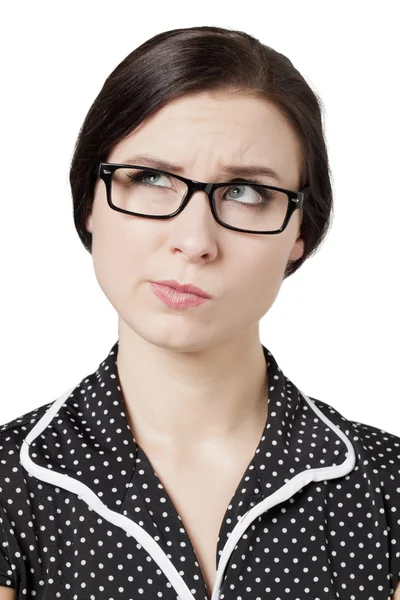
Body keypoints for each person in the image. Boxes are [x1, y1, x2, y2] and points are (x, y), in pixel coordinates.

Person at [1, 24, 399, 600]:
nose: (195, 240)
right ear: (90, 200)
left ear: (300, 231)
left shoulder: (387, 486)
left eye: (244, 192)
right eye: (153, 178)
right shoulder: (12, 483)